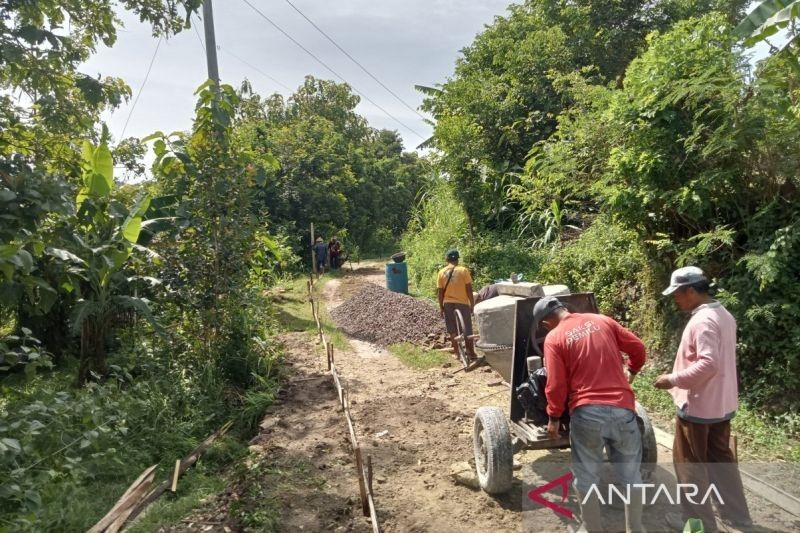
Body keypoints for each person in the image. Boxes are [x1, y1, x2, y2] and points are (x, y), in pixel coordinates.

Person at [535, 296, 646, 533]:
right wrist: (632, 372)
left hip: (587, 415)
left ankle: (590, 529)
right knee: (631, 477)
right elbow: (638, 348)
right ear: (566, 309)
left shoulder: (554, 337)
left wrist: (553, 418)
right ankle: (636, 529)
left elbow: (556, 385)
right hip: (623, 410)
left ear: (546, 323)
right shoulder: (602, 320)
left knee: (586, 478)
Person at [655, 266, 752, 533]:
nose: (676, 300)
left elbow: (708, 364)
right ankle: (738, 518)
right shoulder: (724, 315)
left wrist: (672, 380)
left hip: (698, 406)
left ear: (690, 291)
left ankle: (698, 526)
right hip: (721, 405)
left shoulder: (703, 321)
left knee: (690, 468)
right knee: (721, 462)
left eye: (677, 294)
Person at [437, 249, 477, 361]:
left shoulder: (441, 273)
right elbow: (469, 289)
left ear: (447, 259)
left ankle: (457, 353)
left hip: (448, 303)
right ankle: (471, 353)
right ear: (457, 259)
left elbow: (440, 293)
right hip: (462, 303)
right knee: (467, 328)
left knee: (452, 328)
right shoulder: (463, 270)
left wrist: (441, 307)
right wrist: (472, 304)